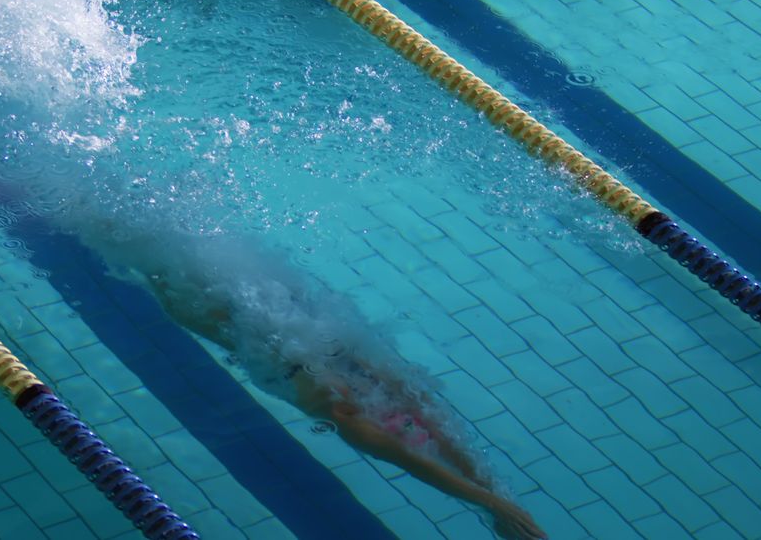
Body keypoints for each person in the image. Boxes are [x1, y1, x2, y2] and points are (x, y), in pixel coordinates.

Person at [116, 231, 548, 540]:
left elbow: (425, 450)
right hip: (274, 326)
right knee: (185, 258)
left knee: (160, 266)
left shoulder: (343, 409)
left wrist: (496, 504)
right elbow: (427, 448)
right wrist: (495, 502)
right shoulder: (358, 385)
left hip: (253, 334)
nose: (410, 422)